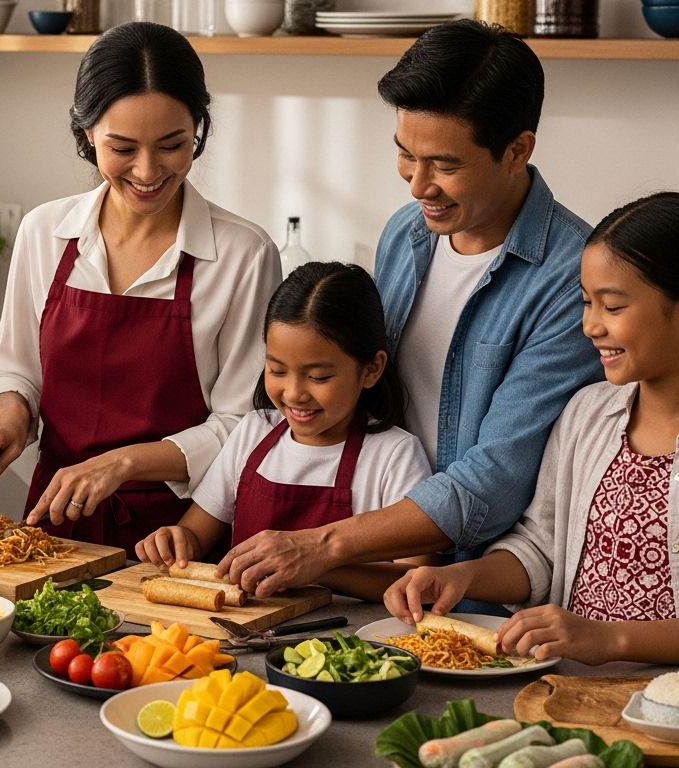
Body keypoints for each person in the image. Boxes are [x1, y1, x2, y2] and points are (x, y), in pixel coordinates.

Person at [219, 20, 602, 601]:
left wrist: (323, 545)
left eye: (445, 165)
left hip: (477, 592)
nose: (418, 185)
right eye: (405, 155)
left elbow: (493, 480)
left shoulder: (572, 274)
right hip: (376, 574)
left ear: (517, 149)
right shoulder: (406, 234)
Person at [384, 193, 679, 668]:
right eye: (587, 302)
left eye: (612, 306)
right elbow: (540, 550)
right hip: (565, 694)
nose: (590, 325)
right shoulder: (587, 413)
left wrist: (609, 640)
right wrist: (464, 577)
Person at [0, 22, 281, 558]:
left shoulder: (243, 254)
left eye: (172, 145)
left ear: (199, 130)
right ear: (87, 133)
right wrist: (9, 415)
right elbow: (16, 367)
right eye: (122, 147)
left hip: (179, 535)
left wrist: (124, 463)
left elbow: (243, 426)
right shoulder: (45, 232)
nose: (147, 170)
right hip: (54, 526)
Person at [135, 262, 430, 598]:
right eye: (276, 370)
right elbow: (194, 536)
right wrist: (174, 541)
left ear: (371, 369)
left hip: (347, 639)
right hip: (247, 629)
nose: (293, 393)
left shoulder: (393, 455)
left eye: (318, 377)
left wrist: (321, 565)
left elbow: (416, 581)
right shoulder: (253, 432)